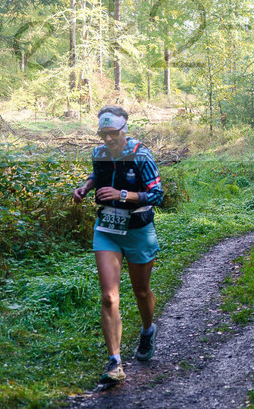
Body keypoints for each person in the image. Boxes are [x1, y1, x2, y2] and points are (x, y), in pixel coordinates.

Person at [73, 106, 164, 386]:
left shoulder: (141, 155)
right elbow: (97, 176)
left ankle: (148, 329)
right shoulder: (99, 153)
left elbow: (158, 195)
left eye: (113, 134)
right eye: (103, 133)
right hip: (107, 230)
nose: (108, 139)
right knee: (109, 297)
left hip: (137, 229)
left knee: (140, 291)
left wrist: (123, 194)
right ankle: (115, 362)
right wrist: (85, 187)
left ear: (124, 130)